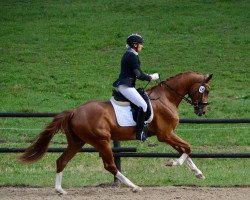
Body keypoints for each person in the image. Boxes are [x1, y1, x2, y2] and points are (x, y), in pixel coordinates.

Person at [113, 33, 159, 141]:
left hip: (126, 85)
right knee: (143, 105)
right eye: (140, 44)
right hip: (126, 86)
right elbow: (138, 74)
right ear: (135, 45)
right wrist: (151, 77)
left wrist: (148, 75)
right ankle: (140, 133)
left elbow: (136, 72)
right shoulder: (131, 56)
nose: (142, 46)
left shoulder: (130, 54)